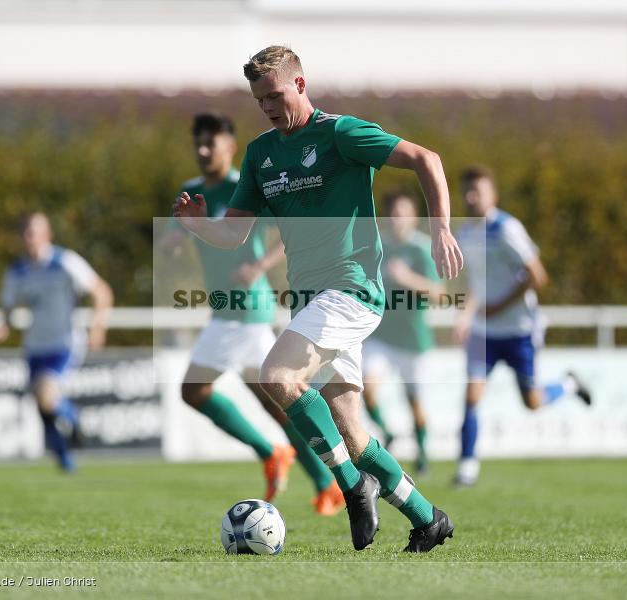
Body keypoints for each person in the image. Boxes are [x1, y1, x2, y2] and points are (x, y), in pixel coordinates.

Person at [174, 46, 463, 553]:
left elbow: (426, 159)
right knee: (353, 434)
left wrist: (440, 228)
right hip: (310, 300)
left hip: (352, 290)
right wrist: (200, 227)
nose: (266, 107)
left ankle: (352, 487)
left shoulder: (340, 133)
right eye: (259, 100)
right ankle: (427, 519)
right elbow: (235, 235)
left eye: (275, 95)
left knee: (278, 376)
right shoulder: (261, 154)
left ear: (301, 85)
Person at [163, 113, 344, 514]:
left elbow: (289, 229)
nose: (203, 151)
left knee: (194, 390)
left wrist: (258, 267)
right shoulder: (190, 190)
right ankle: (322, 481)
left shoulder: (243, 186)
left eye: (212, 143)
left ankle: (275, 454)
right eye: (198, 143)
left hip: (246, 311)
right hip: (226, 311)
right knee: (276, 405)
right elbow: (186, 232)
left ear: (230, 146)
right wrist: (177, 237)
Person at [453, 166, 592, 487]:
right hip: (484, 332)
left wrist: (501, 304)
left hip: (518, 330)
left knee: (532, 402)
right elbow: (476, 282)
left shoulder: (506, 228)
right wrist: (465, 314)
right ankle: (467, 468)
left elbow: (537, 275)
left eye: (478, 191)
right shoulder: (465, 233)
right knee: (472, 396)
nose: (471, 198)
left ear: (494, 195)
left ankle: (569, 385)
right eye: (467, 192)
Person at [0, 212, 114, 472]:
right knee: (41, 404)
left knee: (47, 397)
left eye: (35, 233)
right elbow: (8, 304)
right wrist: (3, 324)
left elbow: (102, 292)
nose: (30, 239)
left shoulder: (65, 262)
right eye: (26, 233)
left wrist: (98, 326)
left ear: (48, 235)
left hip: (64, 344)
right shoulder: (18, 271)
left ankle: (73, 416)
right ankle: (65, 459)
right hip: (35, 346)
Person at [362, 192, 444, 476]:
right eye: (394, 212)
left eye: (404, 212)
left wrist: (407, 278)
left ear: (414, 217)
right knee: (366, 389)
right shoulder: (377, 247)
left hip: (413, 341)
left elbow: (438, 293)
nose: (398, 218)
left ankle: (422, 455)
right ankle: (388, 433)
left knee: (414, 403)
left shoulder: (422, 249)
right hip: (380, 336)